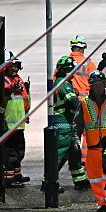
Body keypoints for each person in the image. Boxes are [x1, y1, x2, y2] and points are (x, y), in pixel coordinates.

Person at [41, 56, 90, 192]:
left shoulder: (61, 82)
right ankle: (49, 182)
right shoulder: (63, 84)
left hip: (67, 125)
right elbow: (74, 102)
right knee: (58, 156)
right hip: (63, 126)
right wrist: (88, 106)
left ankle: (81, 181)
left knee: (74, 153)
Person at [76, 70, 106, 212]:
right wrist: (76, 139)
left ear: (104, 83)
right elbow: (78, 124)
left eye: (99, 83)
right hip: (93, 148)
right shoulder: (84, 103)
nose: (97, 87)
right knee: (95, 178)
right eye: (94, 84)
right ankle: (103, 204)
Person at [2, 52, 30, 188]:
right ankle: (9, 178)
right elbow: (5, 91)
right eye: (12, 66)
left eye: (17, 66)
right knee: (11, 152)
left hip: (19, 123)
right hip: (9, 124)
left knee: (20, 150)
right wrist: (12, 89)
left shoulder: (18, 79)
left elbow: (25, 98)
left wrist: (27, 112)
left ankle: (17, 175)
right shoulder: (5, 80)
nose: (15, 68)